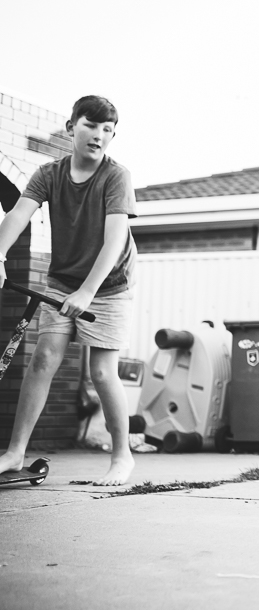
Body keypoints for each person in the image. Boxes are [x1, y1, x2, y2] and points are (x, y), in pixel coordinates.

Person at [0, 95, 138, 486]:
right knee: (43, 358)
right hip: (63, 281)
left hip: (109, 285)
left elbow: (114, 242)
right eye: (91, 126)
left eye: (107, 130)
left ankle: (122, 456)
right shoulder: (49, 173)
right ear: (71, 127)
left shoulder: (116, 176)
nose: (99, 136)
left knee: (101, 371)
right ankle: (14, 453)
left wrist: (88, 292)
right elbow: (18, 214)